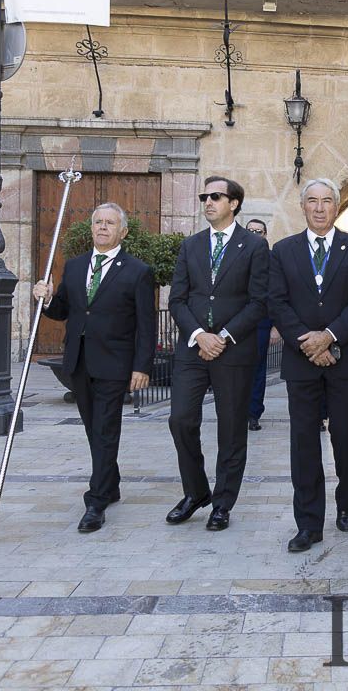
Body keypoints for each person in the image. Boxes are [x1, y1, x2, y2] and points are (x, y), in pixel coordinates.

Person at [34, 203, 155, 533]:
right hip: (79, 361)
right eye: (98, 222)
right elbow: (62, 310)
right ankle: (111, 482)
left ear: (123, 232)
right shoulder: (74, 267)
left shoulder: (137, 271)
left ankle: (96, 500)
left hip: (115, 363)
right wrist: (45, 299)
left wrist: (141, 366)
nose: (102, 227)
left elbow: (146, 326)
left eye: (109, 223)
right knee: (93, 428)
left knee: (104, 429)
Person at [269, 178, 348, 552]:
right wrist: (309, 344)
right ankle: (308, 523)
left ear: (337, 206)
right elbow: (277, 303)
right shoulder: (283, 251)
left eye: (326, 201)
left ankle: (345, 501)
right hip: (302, 364)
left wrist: (328, 336)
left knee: (346, 439)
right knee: (304, 445)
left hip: (346, 361)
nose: (318, 207)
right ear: (302, 207)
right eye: (311, 201)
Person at [165, 178, 269, 531]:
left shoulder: (254, 246)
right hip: (193, 349)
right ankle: (196, 492)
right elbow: (176, 299)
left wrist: (223, 336)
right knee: (180, 419)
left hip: (233, 351)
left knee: (231, 430)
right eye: (204, 197)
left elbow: (258, 302)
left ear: (234, 203)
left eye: (215, 196)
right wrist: (198, 335)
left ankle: (223, 503)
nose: (207, 202)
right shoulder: (190, 246)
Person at [245, 218, 281, 432]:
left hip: (261, 323)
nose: (254, 234)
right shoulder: (237, 254)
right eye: (250, 230)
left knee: (257, 370)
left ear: (265, 235)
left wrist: (276, 327)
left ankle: (253, 413)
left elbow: (276, 294)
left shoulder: (271, 259)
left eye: (258, 231)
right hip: (236, 324)